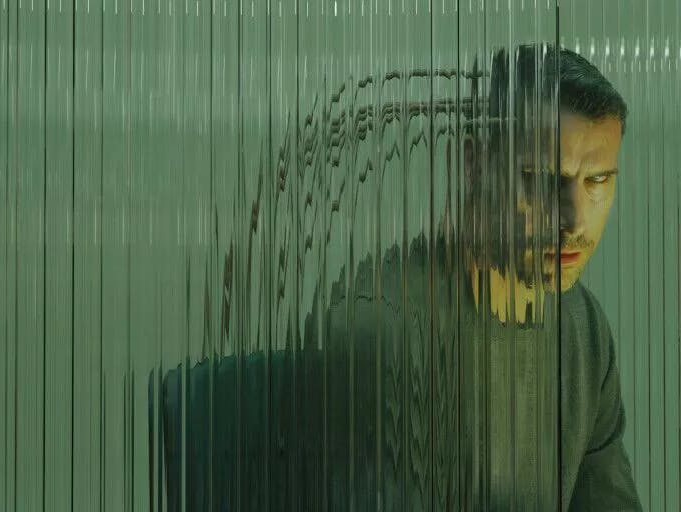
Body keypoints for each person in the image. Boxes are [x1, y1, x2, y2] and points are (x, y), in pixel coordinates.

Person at [158, 45, 642, 511]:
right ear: (475, 165)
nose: (575, 218)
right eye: (540, 179)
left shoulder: (583, 327)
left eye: (598, 180)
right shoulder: (377, 324)